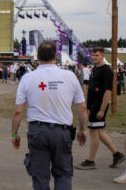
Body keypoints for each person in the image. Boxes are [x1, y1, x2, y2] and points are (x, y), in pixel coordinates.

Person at [11, 41, 87, 190]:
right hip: (62, 132)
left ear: (38, 56)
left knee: (40, 176)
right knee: (63, 174)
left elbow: (18, 111)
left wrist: (14, 134)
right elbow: (82, 106)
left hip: (37, 132)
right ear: (56, 56)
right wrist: (83, 129)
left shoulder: (28, 78)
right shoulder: (69, 76)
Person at [75, 47, 125, 170]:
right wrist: (88, 104)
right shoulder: (95, 69)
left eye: (96, 55)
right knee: (98, 131)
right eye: (92, 55)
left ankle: (90, 161)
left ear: (102, 56)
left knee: (93, 131)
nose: (94, 57)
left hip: (99, 105)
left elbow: (108, 91)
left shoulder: (106, 71)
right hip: (93, 105)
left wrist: (102, 109)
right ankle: (117, 154)